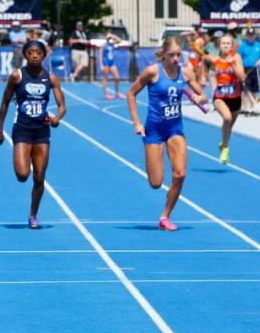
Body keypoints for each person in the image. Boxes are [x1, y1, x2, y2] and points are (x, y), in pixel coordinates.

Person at [126, 37, 207, 231]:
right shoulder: (152, 72)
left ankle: (165, 216)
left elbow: (203, 95)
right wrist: (137, 122)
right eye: (172, 55)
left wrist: (198, 98)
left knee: (180, 174)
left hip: (175, 128)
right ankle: (162, 201)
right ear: (164, 55)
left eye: (179, 54)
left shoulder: (185, 72)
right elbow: (130, 94)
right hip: (154, 130)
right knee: (155, 183)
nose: (176, 59)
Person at [0, 40, 66, 229]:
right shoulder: (17, 76)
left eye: (38, 52)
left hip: (42, 131)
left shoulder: (51, 78)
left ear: (44, 55)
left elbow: (62, 106)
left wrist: (57, 118)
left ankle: (33, 215)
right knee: (22, 175)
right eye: (30, 52)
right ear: (25, 55)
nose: (34, 55)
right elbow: (4, 103)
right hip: (22, 129)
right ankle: (26, 172)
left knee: (40, 176)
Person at [201, 34, 245, 164]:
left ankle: (223, 143)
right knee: (227, 118)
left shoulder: (236, 58)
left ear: (232, 46)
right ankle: (225, 148)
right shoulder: (215, 60)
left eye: (228, 43)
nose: (225, 45)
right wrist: (204, 76)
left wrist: (233, 65)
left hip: (235, 96)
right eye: (223, 43)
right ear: (219, 45)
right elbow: (203, 57)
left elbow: (242, 77)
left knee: (229, 126)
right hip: (220, 96)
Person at [237, 28, 260, 115]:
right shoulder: (242, 46)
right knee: (245, 89)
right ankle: (245, 107)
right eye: (249, 35)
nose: (250, 37)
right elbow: (238, 57)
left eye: (252, 35)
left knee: (255, 89)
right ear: (246, 36)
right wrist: (240, 69)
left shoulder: (258, 45)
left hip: (255, 69)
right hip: (245, 69)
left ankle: (253, 107)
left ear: (255, 36)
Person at [99, 30, 123, 100]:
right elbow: (100, 55)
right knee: (105, 78)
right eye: (108, 35)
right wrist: (101, 65)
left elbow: (119, 40)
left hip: (111, 62)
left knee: (117, 77)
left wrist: (112, 36)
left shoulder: (112, 44)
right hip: (105, 62)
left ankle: (117, 93)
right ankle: (106, 94)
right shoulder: (103, 45)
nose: (109, 36)